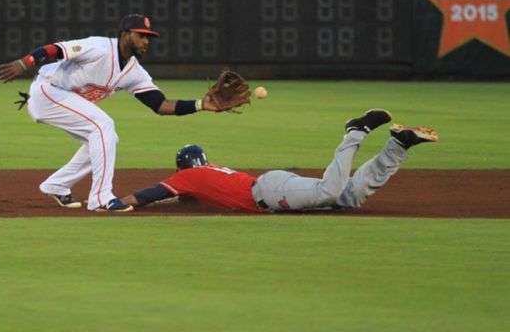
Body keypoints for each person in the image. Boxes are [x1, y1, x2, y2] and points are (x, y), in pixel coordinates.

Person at [0, 14, 228, 212]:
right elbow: (57, 49)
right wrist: (25, 62)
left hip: (63, 98)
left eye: (149, 36)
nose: (146, 40)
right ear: (125, 33)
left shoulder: (134, 71)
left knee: (105, 138)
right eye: (141, 35)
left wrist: (200, 104)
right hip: (48, 91)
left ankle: (57, 185)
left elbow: (160, 105)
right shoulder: (98, 47)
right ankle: (100, 198)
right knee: (103, 126)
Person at [120, 109, 439, 212]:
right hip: (272, 185)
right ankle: (399, 145)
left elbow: (149, 196)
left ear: (182, 167)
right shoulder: (205, 176)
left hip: (269, 191)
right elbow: (184, 201)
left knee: (329, 191)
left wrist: (115, 203)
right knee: (350, 196)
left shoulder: (185, 179)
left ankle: (355, 132)